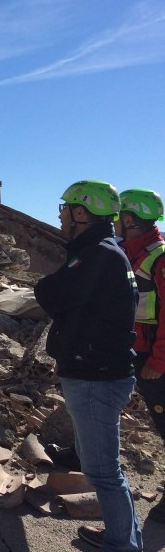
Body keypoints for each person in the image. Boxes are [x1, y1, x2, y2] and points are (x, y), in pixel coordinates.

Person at [35, 181, 143, 552]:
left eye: (65, 209)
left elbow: (50, 294)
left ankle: (122, 547)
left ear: (81, 213)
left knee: (103, 472)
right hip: (99, 371)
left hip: (96, 376)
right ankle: (123, 534)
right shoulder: (106, 251)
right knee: (104, 466)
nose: (60, 216)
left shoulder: (96, 255)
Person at [118, 189, 165, 525]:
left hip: (152, 355)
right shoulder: (128, 252)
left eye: (118, 216)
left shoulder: (159, 258)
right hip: (132, 348)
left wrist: (158, 361)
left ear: (130, 219)